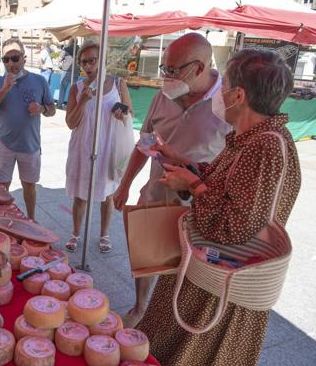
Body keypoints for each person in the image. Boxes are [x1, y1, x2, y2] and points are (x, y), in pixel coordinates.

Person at [136, 49, 301, 366]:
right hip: (206, 273)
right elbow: (223, 185)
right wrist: (180, 160)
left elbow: (234, 227)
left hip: (220, 290)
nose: (218, 92)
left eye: (223, 84)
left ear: (238, 95)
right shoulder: (249, 138)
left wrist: (192, 185)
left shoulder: (266, 145)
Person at [112, 32, 232, 328]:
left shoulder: (228, 103)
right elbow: (145, 143)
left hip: (197, 204)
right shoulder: (163, 96)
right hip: (155, 193)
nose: (166, 76)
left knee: (187, 269)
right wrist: (125, 184)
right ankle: (140, 308)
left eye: (173, 70)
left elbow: (232, 163)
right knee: (145, 257)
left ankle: (172, 321)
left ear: (200, 68)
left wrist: (194, 177)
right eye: (164, 68)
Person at [64, 40, 134, 254]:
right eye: (83, 62)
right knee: (80, 195)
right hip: (83, 146)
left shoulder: (118, 84)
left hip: (108, 145)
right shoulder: (77, 88)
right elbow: (70, 123)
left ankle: (104, 233)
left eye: (92, 60)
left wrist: (123, 114)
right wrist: (83, 101)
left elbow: (130, 112)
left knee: (107, 193)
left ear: (101, 60)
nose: (88, 66)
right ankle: (76, 233)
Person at [0, 38, 56, 221]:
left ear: (23, 58)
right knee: (0, 187)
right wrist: (4, 89)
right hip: (3, 144)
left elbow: (52, 109)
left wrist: (42, 109)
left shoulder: (39, 81)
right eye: (5, 60)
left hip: (30, 144)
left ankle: (31, 219)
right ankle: (1, 218)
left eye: (14, 58)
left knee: (29, 186)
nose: (10, 64)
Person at [58, 38, 80, 108]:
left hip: (66, 71)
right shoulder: (80, 50)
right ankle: (70, 106)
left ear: (71, 42)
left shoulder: (66, 49)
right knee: (73, 90)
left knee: (63, 88)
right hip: (75, 72)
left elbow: (60, 59)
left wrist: (61, 64)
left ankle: (59, 104)